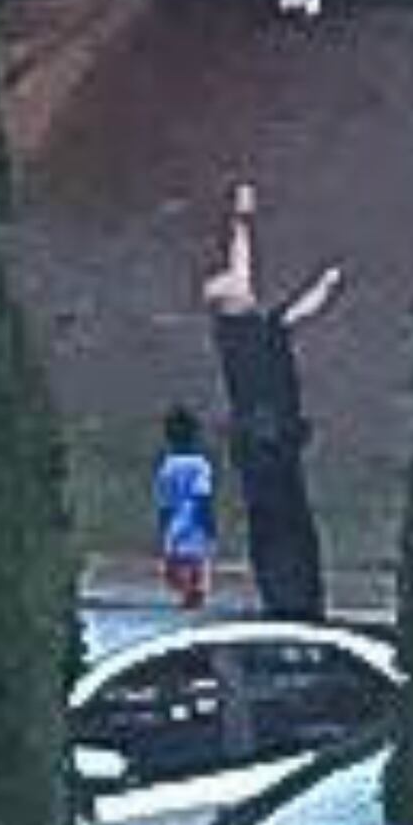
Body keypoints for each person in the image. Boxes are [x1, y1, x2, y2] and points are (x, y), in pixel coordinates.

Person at [202, 181, 345, 624]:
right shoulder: (241, 334)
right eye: (235, 286)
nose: (245, 285)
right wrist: (242, 220)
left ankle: (295, 598)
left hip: (270, 442)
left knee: (285, 524)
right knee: (282, 525)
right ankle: (292, 600)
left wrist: (243, 217)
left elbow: (296, 307)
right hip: (265, 443)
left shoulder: (255, 328)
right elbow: (247, 274)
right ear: (229, 302)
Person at [154, 407, 219, 611]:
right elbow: (203, 498)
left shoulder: (167, 466)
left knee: (177, 578)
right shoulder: (200, 465)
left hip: (174, 531)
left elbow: (164, 505)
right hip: (194, 529)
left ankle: (188, 601)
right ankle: (194, 601)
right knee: (196, 578)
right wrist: (210, 526)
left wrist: (162, 532)